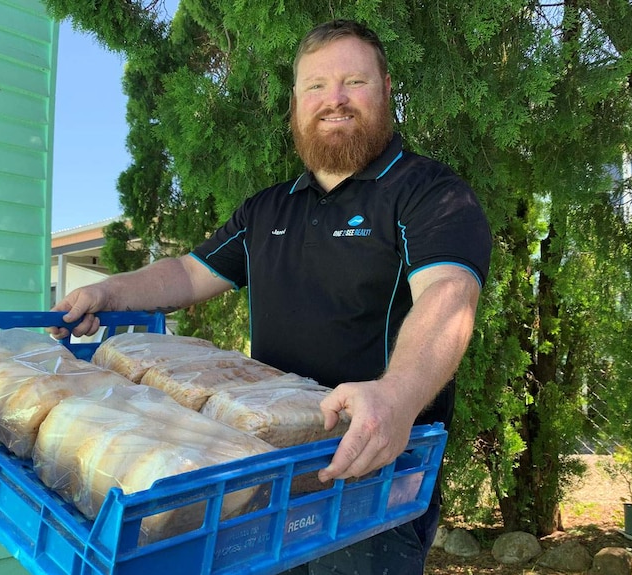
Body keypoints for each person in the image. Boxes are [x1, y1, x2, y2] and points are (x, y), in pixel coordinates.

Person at [50, 19, 492, 575]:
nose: (334, 100)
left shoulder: (429, 192)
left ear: (384, 89)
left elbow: (449, 295)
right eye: (315, 86)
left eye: (353, 81)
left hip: (372, 480)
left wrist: (396, 397)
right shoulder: (267, 209)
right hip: (264, 471)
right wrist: (108, 291)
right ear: (295, 104)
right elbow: (188, 274)